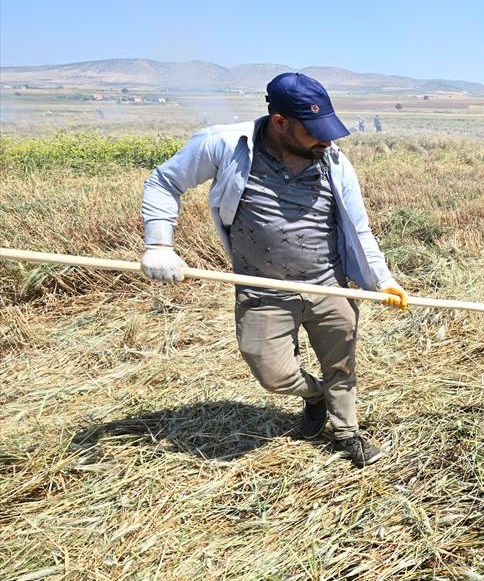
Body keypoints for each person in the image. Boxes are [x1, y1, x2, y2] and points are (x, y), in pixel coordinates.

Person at [140, 72, 409, 468]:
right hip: (261, 287)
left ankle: (346, 430)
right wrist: (160, 245)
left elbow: (359, 226)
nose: (327, 141)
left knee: (341, 365)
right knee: (273, 374)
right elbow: (164, 182)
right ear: (280, 122)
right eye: (315, 131)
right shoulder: (224, 145)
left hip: (328, 285)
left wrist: (382, 279)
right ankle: (313, 396)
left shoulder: (333, 160)